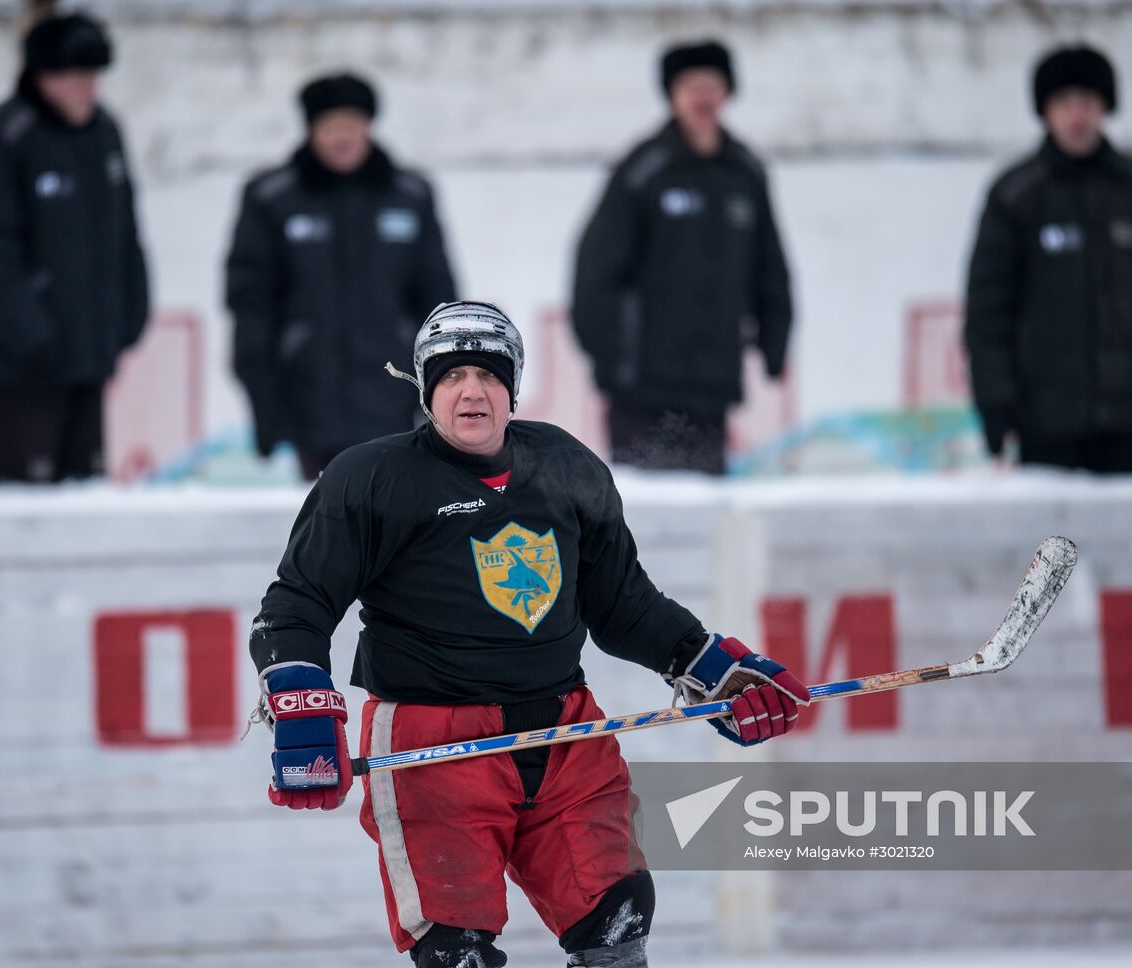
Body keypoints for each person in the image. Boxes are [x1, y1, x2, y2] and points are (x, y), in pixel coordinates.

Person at [247, 301, 809, 967]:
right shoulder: (370, 479)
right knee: (458, 951)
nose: (471, 390)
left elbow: (622, 603)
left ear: (512, 386)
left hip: (567, 736)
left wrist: (708, 664)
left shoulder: (566, 466)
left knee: (617, 924)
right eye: (451, 376)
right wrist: (301, 699)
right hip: (435, 748)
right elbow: (295, 606)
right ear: (427, 390)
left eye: (488, 374)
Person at [964, 43, 1132, 475]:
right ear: (1045, 111)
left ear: (1105, 108)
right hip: (1046, 433)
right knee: (1058, 545)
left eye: (1087, 103)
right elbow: (987, 311)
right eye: (1064, 103)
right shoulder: (1015, 196)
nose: (1077, 117)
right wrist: (995, 404)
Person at [571, 40, 793, 475]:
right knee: (642, 516)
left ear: (727, 93)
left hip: (711, 386)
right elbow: (595, 269)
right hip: (641, 390)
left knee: (704, 515)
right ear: (672, 95)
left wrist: (775, 341)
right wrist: (610, 357)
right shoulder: (643, 170)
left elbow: (771, 267)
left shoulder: (745, 174)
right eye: (691, 86)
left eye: (712, 85)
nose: (702, 97)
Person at [226, 72, 457, 481]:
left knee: (394, 526)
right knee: (314, 531)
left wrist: (440, 391)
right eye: (330, 126)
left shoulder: (411, 195)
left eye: (351, 125)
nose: (341, 137)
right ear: (312, 131)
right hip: (303, 412)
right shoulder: (271, 198)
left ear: (369, 126)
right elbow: (250, 305)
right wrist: (265, 405)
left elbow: (438, 301)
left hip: (394, 405)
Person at [0, 11, 149, 483]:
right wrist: (30, 332)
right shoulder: (3, 139)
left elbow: (125, 233)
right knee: (27, 511)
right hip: (24, 370)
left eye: (94, 76)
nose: (90, 89)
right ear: (44, 77)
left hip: (88, 358)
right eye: (77, 76)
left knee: (85, 504)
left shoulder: (104, 133)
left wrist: (130, 311)